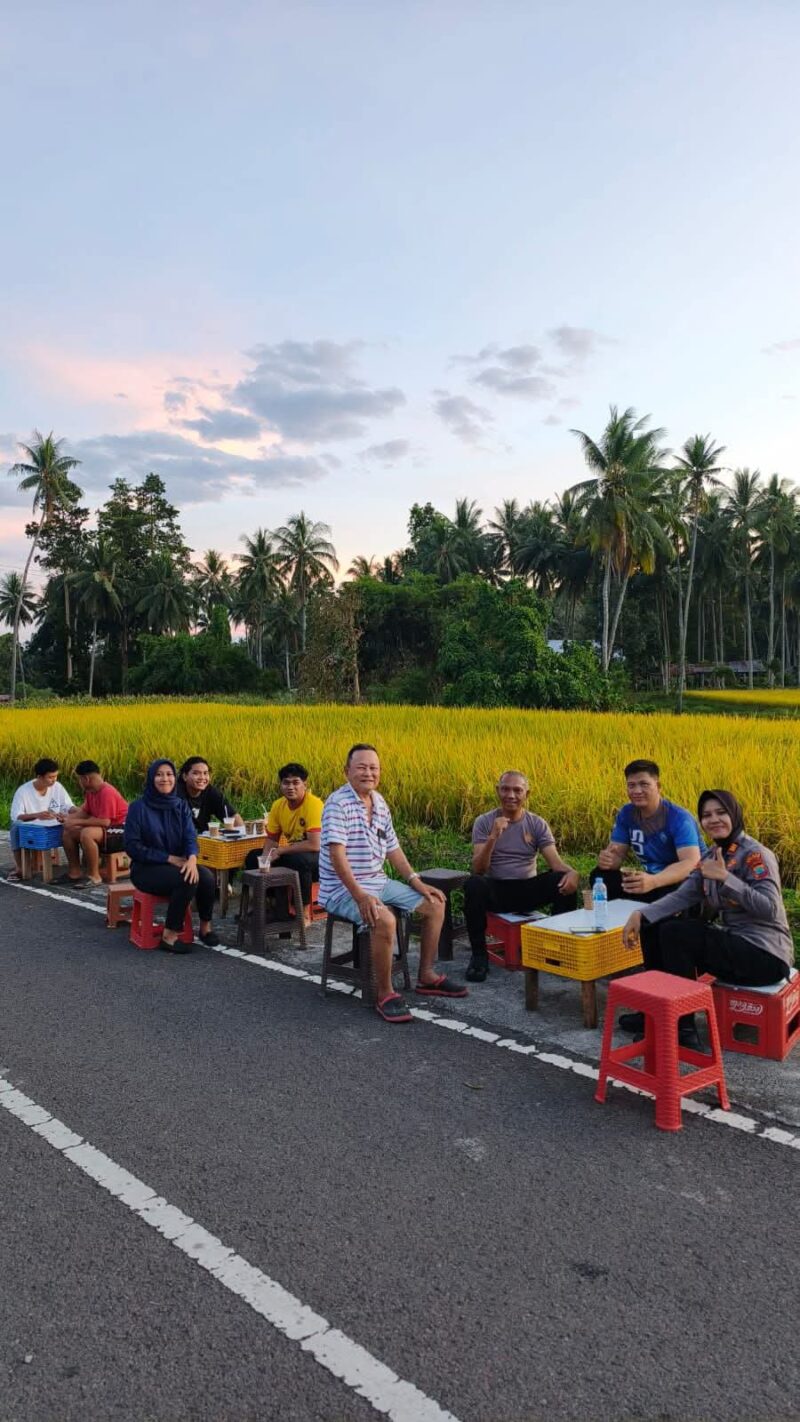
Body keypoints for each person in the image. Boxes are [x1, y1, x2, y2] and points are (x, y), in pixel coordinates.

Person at [623, 790, 793, 1049]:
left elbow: (770, 909)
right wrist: (641, 914)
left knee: (676, 933)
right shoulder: (712, 857)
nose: (714, 819)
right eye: (706, 815)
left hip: (765, 956)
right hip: (735, 945)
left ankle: (682, 1029)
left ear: (734, 814)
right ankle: (655, 1011)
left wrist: (726, 879)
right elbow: (683, 895)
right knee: (655, 925)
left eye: (721, 812)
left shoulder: (756, 856)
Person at [319, 743, 467, 1023]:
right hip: (341, 889)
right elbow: (337, 856)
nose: (368, 773)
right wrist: (360, 896)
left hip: (377, 880)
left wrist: (416, 881)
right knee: (384, 919)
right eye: (361, 767)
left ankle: (426, 975)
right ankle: (384, 992)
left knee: (435, 903)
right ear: (346, 771)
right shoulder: (337, 804)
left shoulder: (379, 802)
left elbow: (393, 849)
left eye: (373, 768)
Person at [591, 758, 702, 1019]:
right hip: (650, 882)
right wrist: (608, 860)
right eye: (631, 785)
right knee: (600, 877)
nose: (637, 790)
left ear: (658, 786)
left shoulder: (678, 818)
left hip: (684, 888)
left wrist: (653, 881)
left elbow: (690, 863)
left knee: (657, 924)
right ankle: (617, 941)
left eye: (644, 784)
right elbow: (617, 853)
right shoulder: (627, 814)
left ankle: (659, 1000)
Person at [463, 770, 579, 982]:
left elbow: (555, 864)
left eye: (517, 790)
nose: (511, 795)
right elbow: (479, 869)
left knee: (562, 880)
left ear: (527, 794)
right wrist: (493, 837)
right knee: (474, 884)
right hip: (497, 890)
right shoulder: (484, 821)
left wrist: (572, 873)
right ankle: (479, 956)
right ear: (497, 791)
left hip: (527, 889)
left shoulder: (536, 823)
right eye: (505, 789)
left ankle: (558, 952)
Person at [124, 759, 219, 952]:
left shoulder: (180, 806)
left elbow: (190, 836)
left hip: (176, 864)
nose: (165, 779)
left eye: (169, 774)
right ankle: (169, 935)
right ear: (151, 778)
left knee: (207, 877)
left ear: (175, 778)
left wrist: (192, 858)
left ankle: (205, 928)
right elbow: (133, 847)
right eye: (159, 775)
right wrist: (169, 858)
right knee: (187, 879)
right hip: (145, 869)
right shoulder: (138, 808)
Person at [244, 762, 323, 907]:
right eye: (286, 783)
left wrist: (281, 851)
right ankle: (269, 901)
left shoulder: (314, 805)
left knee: (299, 861)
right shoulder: (278, 805)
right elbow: (272, 839)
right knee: (253, 857)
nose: (290, 787)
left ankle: (302, 909)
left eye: (295, 783)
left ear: (304, 785)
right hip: (294, 853)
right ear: (281, 785)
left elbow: (315, 844)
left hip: (320, 857)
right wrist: (266, 859)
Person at [60, 760, 128, 887]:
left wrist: (75, 821)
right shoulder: (91, 792)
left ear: (85, 779)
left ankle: (94, 876)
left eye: (79, 779)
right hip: (106, 829)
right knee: (69, 832)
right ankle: (74, 872)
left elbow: (104, 821)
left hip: (121, 831)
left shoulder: (107, 792)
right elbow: (84, 812)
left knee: (87, 833)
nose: (79, 782)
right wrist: (67, 819)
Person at [9, 758, 74, 880]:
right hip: (33, 825)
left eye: (55, 776)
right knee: (15, 826)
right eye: (50, 777)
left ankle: (76, 867)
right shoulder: (23, 791)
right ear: (39, 777)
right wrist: (37, 815)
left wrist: (76, 812)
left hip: (55, 824)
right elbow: (16, 816)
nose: (54, 780)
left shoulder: (57, 787)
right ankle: (20, 867)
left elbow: (68, 806)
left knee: (75, 824)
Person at [176, 757, 243, 833]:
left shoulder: (211, 792)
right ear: (185, 776)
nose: (202, 777)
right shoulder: (176, 794)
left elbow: (233, 816)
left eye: (205, 773)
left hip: (205, 839)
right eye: (196, 773)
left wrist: (242, 834)